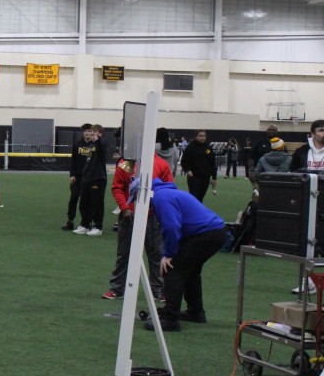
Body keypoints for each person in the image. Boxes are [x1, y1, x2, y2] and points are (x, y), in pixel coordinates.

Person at [142, 178, 226, 332]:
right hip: (214, 232)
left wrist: (168, 255)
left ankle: (170, 318)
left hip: (206, 234)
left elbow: (171, 227)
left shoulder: (161, 198)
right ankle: (196, 312)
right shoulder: (167, 193)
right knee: (191, 271)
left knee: (173, 269)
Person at [102, 144, 174, 301]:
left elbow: (169, 189)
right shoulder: (127, 163)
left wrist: (159, 210)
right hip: (129, 216)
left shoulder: (160, 164)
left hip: (152, 217)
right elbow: (117, 188)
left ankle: (159, 290)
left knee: (156, 254)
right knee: (124, 253)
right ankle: (117, 288)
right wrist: (125, 208)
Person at [74, 124, 108, 236]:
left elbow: (102, 146)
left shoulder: (102, 143)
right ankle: (85, 225)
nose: (92, 134)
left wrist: (98, 140)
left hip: (98, 178)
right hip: (87, 178)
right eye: (91, 131)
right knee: (84, 202)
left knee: (96, 203)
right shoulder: (91, 145)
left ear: (100, 134)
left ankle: (98, 227)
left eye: (95, 132)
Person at [63, 123, 93, 230]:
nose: (87, 133)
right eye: (85, 131)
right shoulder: (77, 144)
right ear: (83, 133)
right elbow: (73, 161)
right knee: (73, 198)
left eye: (89, 131)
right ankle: (70, 221)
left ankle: (86, 222)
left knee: (86, 201)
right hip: (78, 177)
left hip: (89, 178)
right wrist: (72, 175)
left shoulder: (95, 145)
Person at [180, 130, 217, 202]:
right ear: (196, 137)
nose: (202, 138)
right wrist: (187, 170)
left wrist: (214, 177)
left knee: (201, 197)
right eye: (200, 136)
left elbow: (213, 162)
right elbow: (184, 161)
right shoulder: (190, 147)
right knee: (194, 198)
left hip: (206, 177)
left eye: (204, 136)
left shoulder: (208, 148)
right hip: (194, 176)